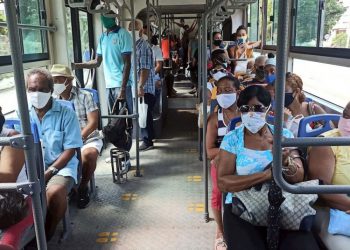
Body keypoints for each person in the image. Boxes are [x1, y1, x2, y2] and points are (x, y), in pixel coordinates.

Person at [217, 85, 319, 250]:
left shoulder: (283, 136)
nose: (251, 113)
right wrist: (267, 175)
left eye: (258, 108)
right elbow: (223, 183)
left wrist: (285, 163)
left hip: (283, 204)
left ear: (268, 109)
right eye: (245, 108)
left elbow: (298, 177)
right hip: (242, 206)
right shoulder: (232, 139)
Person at [26, 69, 83, 240]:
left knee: (55, 192)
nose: (37, 94)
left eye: (42, 90)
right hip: (33, 167)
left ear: (51, 91)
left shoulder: (67, 114)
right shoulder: (23, 114)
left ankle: (46, 234)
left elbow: (70, 150)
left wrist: (49, 172)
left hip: (61, 166)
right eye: (32, 89)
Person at [50, 64, 103, 209]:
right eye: (53, 81)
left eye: (58, 80)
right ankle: (67, 188)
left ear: (69, 81)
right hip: (64, 140)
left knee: (89, 155)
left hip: (87, 138)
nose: (55, 84)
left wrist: (78, 139)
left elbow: (93, 122)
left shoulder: (85, 96)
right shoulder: (52, 100)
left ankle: (82, 187)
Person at [308, 102, 350, 250]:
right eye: (346, 116)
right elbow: (322, 189)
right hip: (330, 211)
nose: (348, 123)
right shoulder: (326, 143)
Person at [206, 75, 241, 250]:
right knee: (218, 193)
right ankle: (220, 232)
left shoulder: (247, 115)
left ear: (238, 92)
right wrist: (229, 152)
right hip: (221, 162)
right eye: (219, 91)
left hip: (244, 160)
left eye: (228, 91)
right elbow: (210, 151)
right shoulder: (214, 119)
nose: (222, 95)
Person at [73, 15, 133, 114]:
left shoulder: (123, 34)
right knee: (113, 117)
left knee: (126, 116)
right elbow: (97, 62)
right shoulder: (103, 37)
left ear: (114, 18)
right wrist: (77, 65)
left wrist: (122, 88)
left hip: (122, 84)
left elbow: (127, 63)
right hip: (109, 84)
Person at [128, 19, 156, 151]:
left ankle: (147, 140)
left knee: (144, 113)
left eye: (133, 28)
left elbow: (145, 69)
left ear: (140, 31)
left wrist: (140, 86)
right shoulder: (133, 46)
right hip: (137, 86)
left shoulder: (143, 46)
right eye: (129, 28)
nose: (130, 31)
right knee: (143, 113)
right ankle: (147, 139)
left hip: (144, 87)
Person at [283, 72, 327, 137]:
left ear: (297, 92)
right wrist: (283, 122)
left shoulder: (312, 109)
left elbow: (332, 132)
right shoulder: (280, 113)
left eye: (285, 90)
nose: (279, 94)